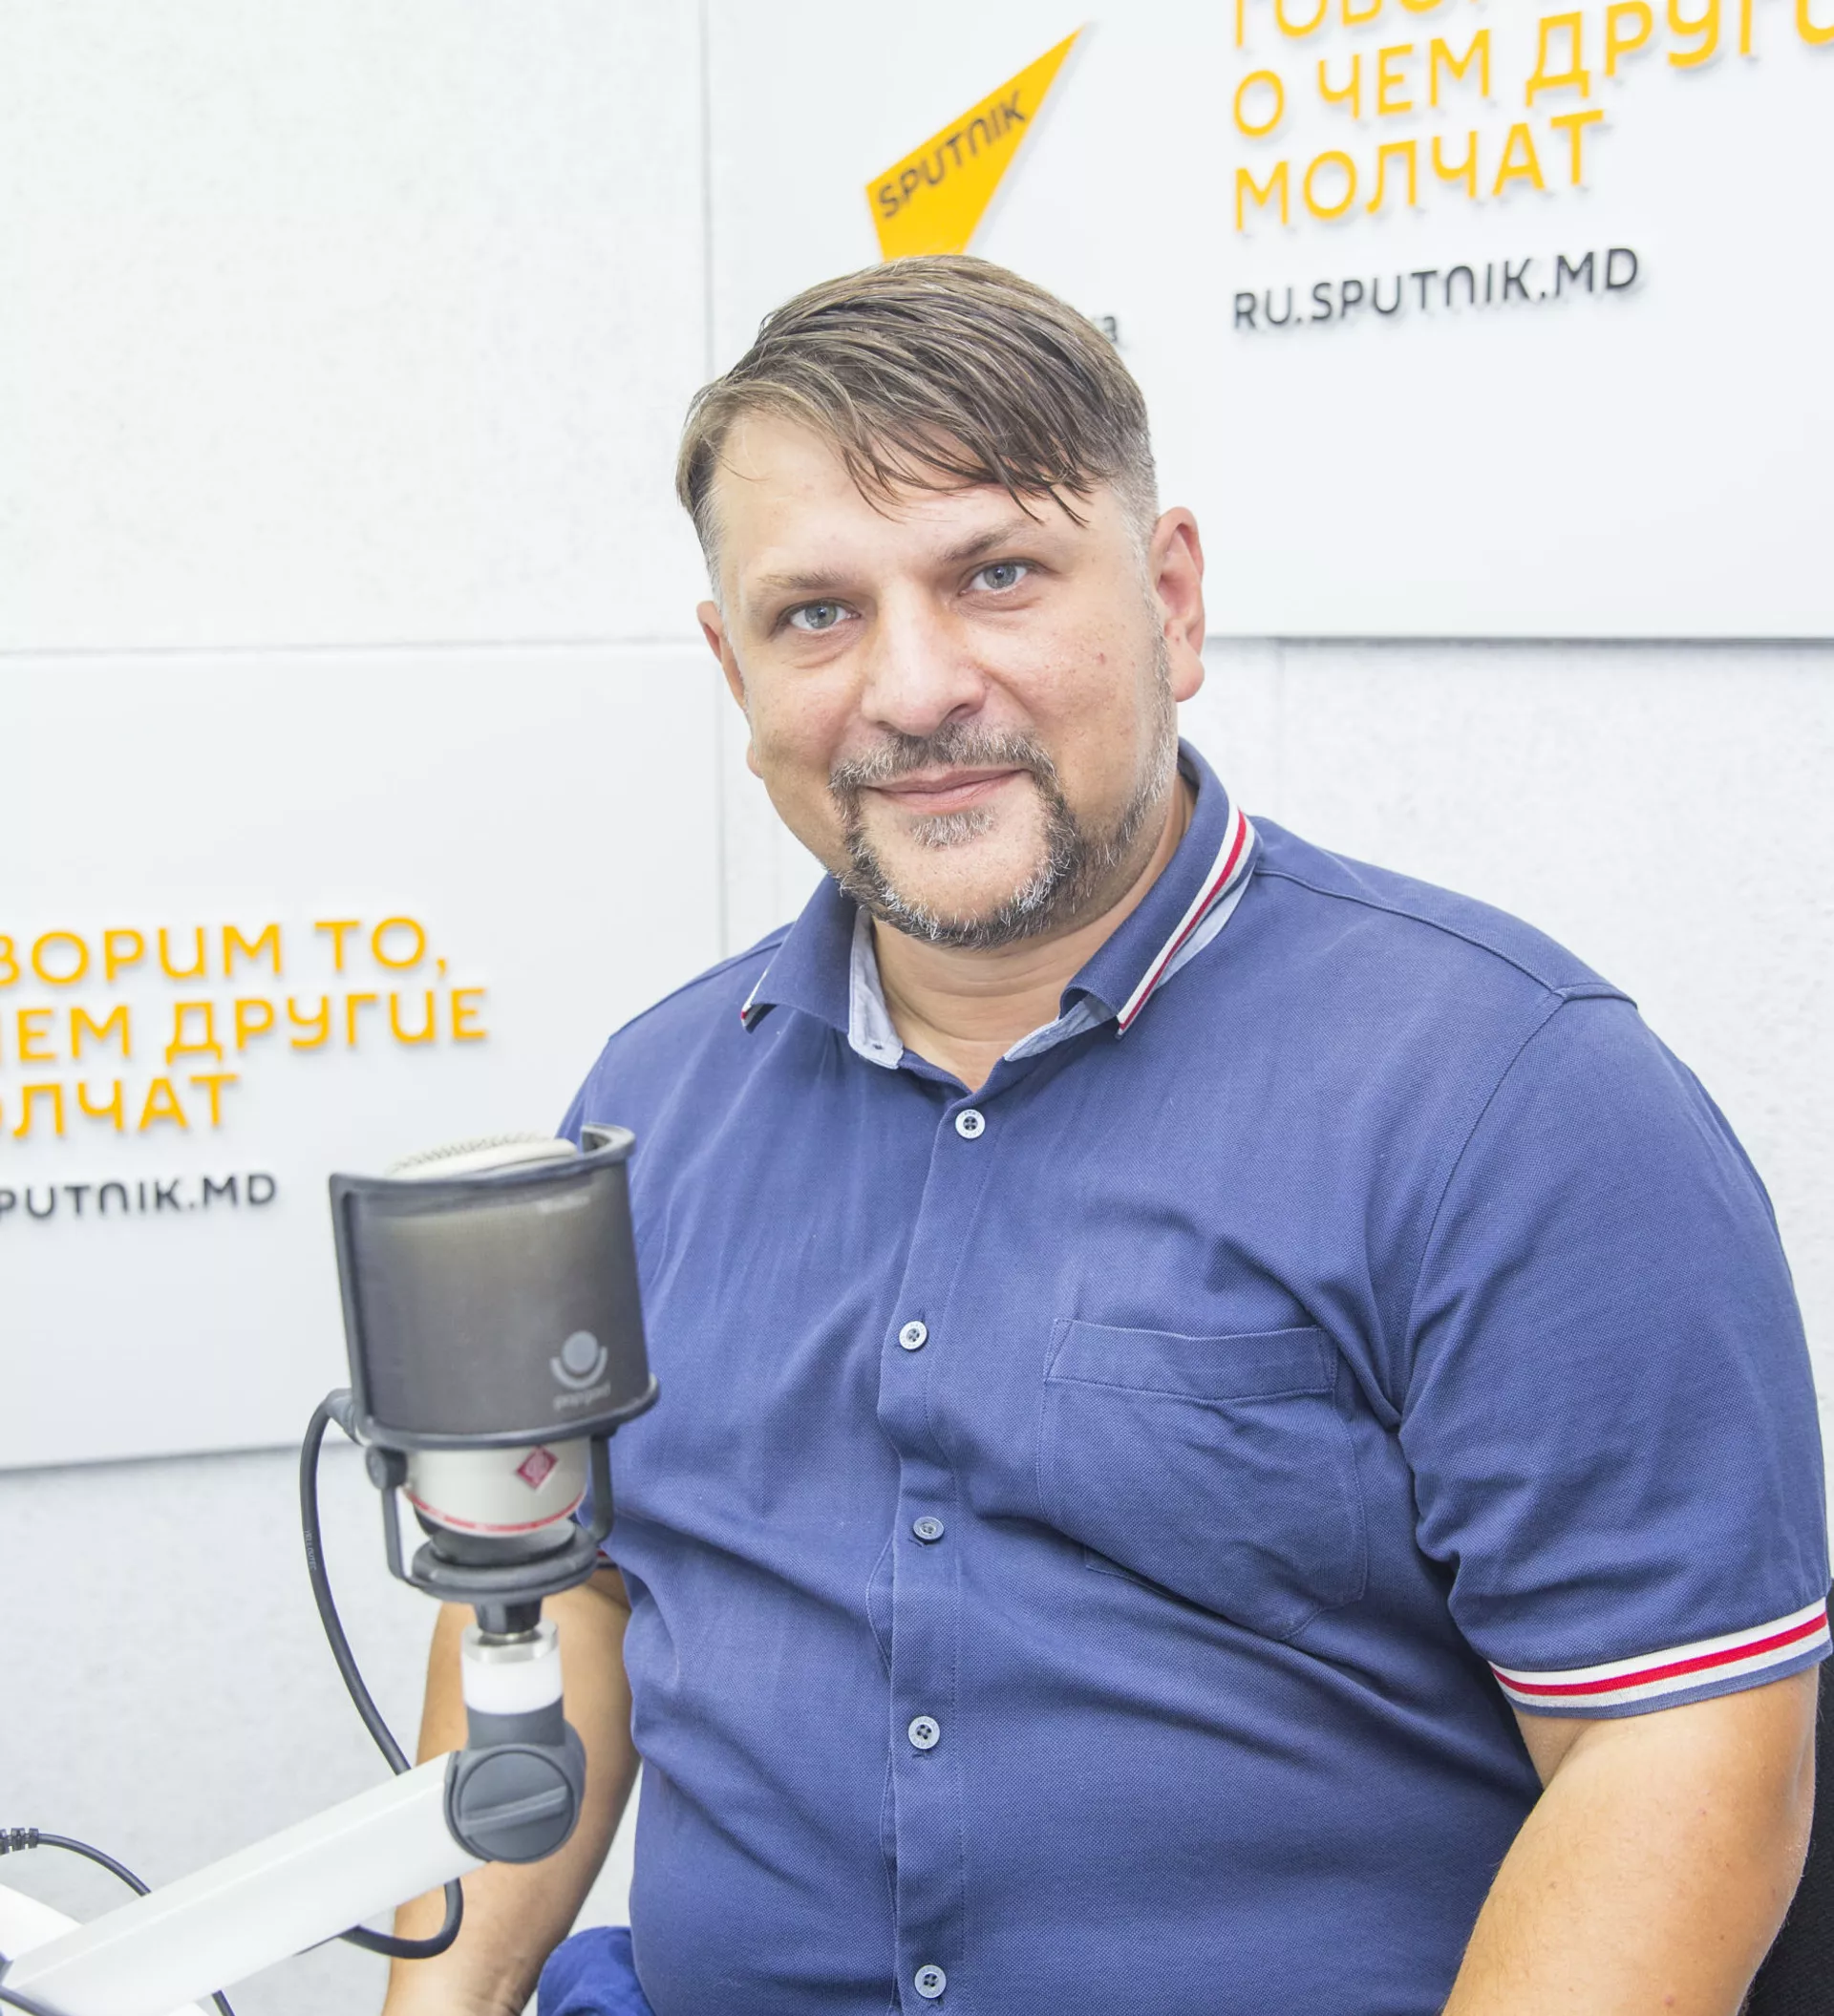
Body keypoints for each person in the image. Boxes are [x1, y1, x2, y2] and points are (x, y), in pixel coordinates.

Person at [381, 257, 1828, 2016]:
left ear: (1171, 600)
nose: (914, 686)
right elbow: (566, 1597)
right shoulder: (655, 1097)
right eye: (817, 613)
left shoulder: (1512, 1096)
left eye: (995, 574)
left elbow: (1677, 1760)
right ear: (733, 670)